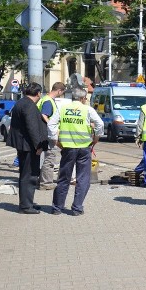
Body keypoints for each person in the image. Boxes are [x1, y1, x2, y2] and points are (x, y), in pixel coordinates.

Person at [48, 87, 103, 216]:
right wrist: (96, 139)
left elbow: (51, 125)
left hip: (67, 148)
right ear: (83, 98)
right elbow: (100, 124)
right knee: (83, 179)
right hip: (84, 148)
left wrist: (56, 141)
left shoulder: (62, 109)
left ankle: (57, 208)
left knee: (64, 178)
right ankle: (77, 208)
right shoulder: (88, 110)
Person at [6, 82, 48, 214]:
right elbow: (32, 127)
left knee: (26, 174)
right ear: (38, 93)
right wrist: (38, 145)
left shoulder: (21, 102)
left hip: (24, 144)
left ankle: (27, 202)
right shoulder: (29, 105)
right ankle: (25, 206)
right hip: (28, 146)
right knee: (29, 175)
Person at [38, 82, 66, 189]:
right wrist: (52, 127)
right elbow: (44, 115)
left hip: (46, 132)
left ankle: (43, 181)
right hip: (49, 133)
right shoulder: (48, 101)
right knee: (50, 158)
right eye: (62, 92)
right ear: (59, 91)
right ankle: (46, 183)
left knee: (48, 158)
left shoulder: (45, 99)